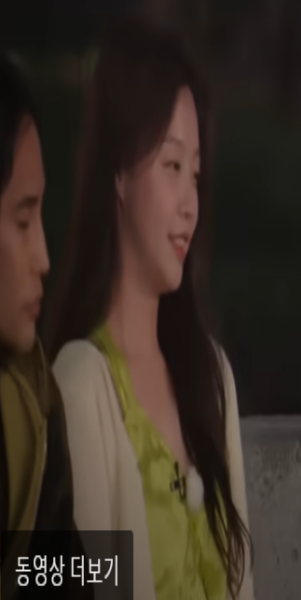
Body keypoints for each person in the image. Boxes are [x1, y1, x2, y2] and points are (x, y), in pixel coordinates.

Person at [44, 19, 254, 600]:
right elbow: (69, 575)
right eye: (171, 166)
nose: (190, 204)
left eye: (196, 174)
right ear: (117, 171)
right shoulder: (81, 385)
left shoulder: (211, 377)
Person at [0, 56, 92, 600]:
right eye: (21, 219)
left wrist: (127, 568)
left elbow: (68, 569)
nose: (44, 257)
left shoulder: (31, 399)